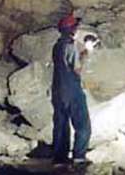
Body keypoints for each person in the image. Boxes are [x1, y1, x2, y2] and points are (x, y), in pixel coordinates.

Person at [51, 12, 91, 166]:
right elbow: (76, 69)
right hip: (72, 90)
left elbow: (63, 64)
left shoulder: (57, 46)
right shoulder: (70, 46)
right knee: (82, 125)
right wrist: (85, 54)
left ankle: (59, 159)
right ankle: (79, 157)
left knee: (61, 125)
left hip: (58, 91)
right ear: (72, 30)